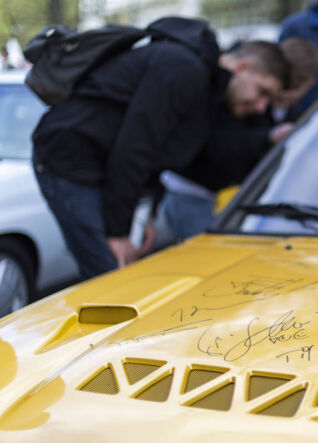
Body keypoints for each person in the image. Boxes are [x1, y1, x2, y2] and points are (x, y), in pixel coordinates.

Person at [32, 17, 289, 279]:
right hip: (70, 158)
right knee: (111, 274)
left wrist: (146, 213)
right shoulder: (184, 68)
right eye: (263, 92)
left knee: (118, 275)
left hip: (94, 161)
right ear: (243, 67)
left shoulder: (206, 84)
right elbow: (135, 147)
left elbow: (160, 152)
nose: (261, 106)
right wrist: (119, 231)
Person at [156, 38, 318, 244]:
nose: (283, 94)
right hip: (196, 192)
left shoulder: (300, 112)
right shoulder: (235, 96)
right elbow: (218, 145)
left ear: (309, 85)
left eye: (294, 87)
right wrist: (266, 139)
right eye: (274, 90)